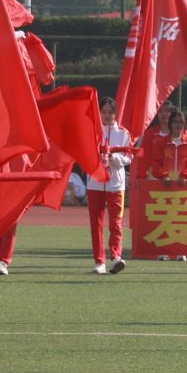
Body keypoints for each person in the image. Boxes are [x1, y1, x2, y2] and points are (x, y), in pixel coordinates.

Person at [83, 112, 133, 275]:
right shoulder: (92, 131)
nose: (107, 115)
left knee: (116, 223)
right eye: (103, 112)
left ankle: (116, 257)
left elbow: (129, 157)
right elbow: (84, 153)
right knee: (96, 224)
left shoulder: (123, 133)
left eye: (110, 112)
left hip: (115, 185)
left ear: (115, 113)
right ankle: (99, 262)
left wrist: (113, 157)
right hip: (95, 183)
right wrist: (98, 155)